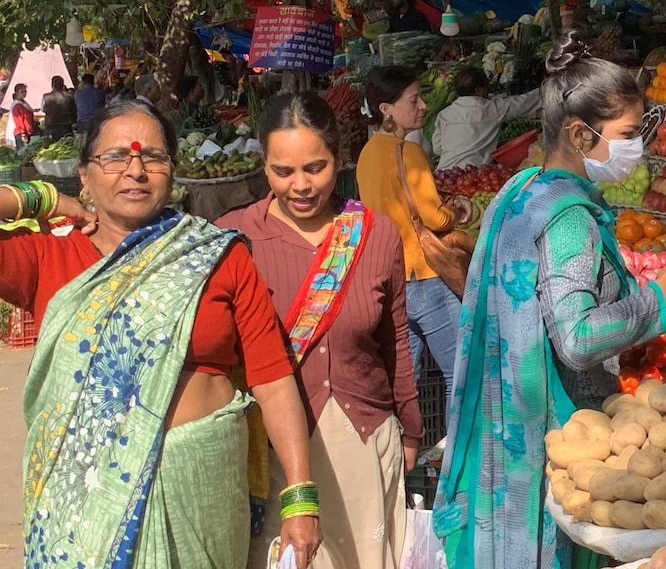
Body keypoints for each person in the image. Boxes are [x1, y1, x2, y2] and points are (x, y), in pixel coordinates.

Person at [1, 101, 322, 568]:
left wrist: (300, 496)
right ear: (84, 176)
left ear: (173, 173)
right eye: (115, 158)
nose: (136, 170)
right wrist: (44, 197)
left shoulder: (216, 256)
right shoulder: (48, 258)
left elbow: (272, 380)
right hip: (84, 499)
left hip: (201, 490)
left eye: (152, 157)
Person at [432, 30, 666, 569]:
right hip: (555, 431)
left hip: (506, 420)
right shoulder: (569, 218)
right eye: (626, 135)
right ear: (580, 135)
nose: (635, 148)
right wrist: (658, 300)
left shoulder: (524, 188)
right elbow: (577, 338)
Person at [217, 92, 422, 569]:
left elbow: (395, 343)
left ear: (339, 158)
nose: (301, 186)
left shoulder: (375, 234)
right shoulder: (234, 239)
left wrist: (411, 432)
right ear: (262, 166)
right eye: (282, 171)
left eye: (316, 167)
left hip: (364, 436)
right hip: (273, 455)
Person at [357, 66, 468, 420]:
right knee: (458, 372)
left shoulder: (366, 155)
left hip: (392, 280)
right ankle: (456, 458)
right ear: (385, 108)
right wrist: (456, 211)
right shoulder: (407, 152)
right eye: (413, 99)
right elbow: (434, 219)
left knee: (406, 380)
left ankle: (407, 454)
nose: (422, 105)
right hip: (426, 277)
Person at [433, 67, 542, 170]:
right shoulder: (489, 109)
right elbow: (523, 103)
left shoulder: (444, 114)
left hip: (444, 174)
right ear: (479, 90)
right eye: (487, 87)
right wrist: (547, 89)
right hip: (473, 175)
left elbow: (437, 148)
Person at [41, 75, 76, 140]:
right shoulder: (70, 96)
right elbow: (74, 110)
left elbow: (43, 109)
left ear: (52, 85)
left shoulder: (45, 97)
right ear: (63, 85)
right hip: (66, 127)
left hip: (51, 127)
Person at [11, 83, 36, 148]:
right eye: (22, 92)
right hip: (21, 133)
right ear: (16, 93)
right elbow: (19, 121)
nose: (24, 93)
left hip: (28, 132)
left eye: (25, 91)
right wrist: (23, 133)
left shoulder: (23, 103)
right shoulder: (17, 105)